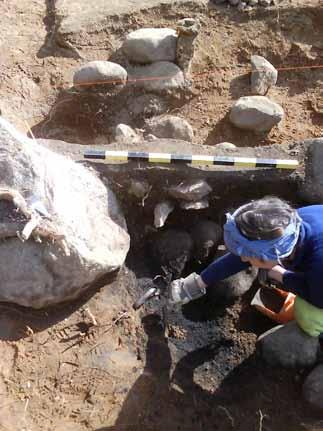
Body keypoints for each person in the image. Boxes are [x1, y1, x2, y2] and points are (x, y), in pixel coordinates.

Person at [169, 196, 323, 338]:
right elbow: (240, 257)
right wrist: (197, 283)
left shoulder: (318, 263)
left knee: (307, 314)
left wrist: (282, 275)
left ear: (271, 257)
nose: (243, 258)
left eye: (248, 256)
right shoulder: (289, 224)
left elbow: (318, 300)